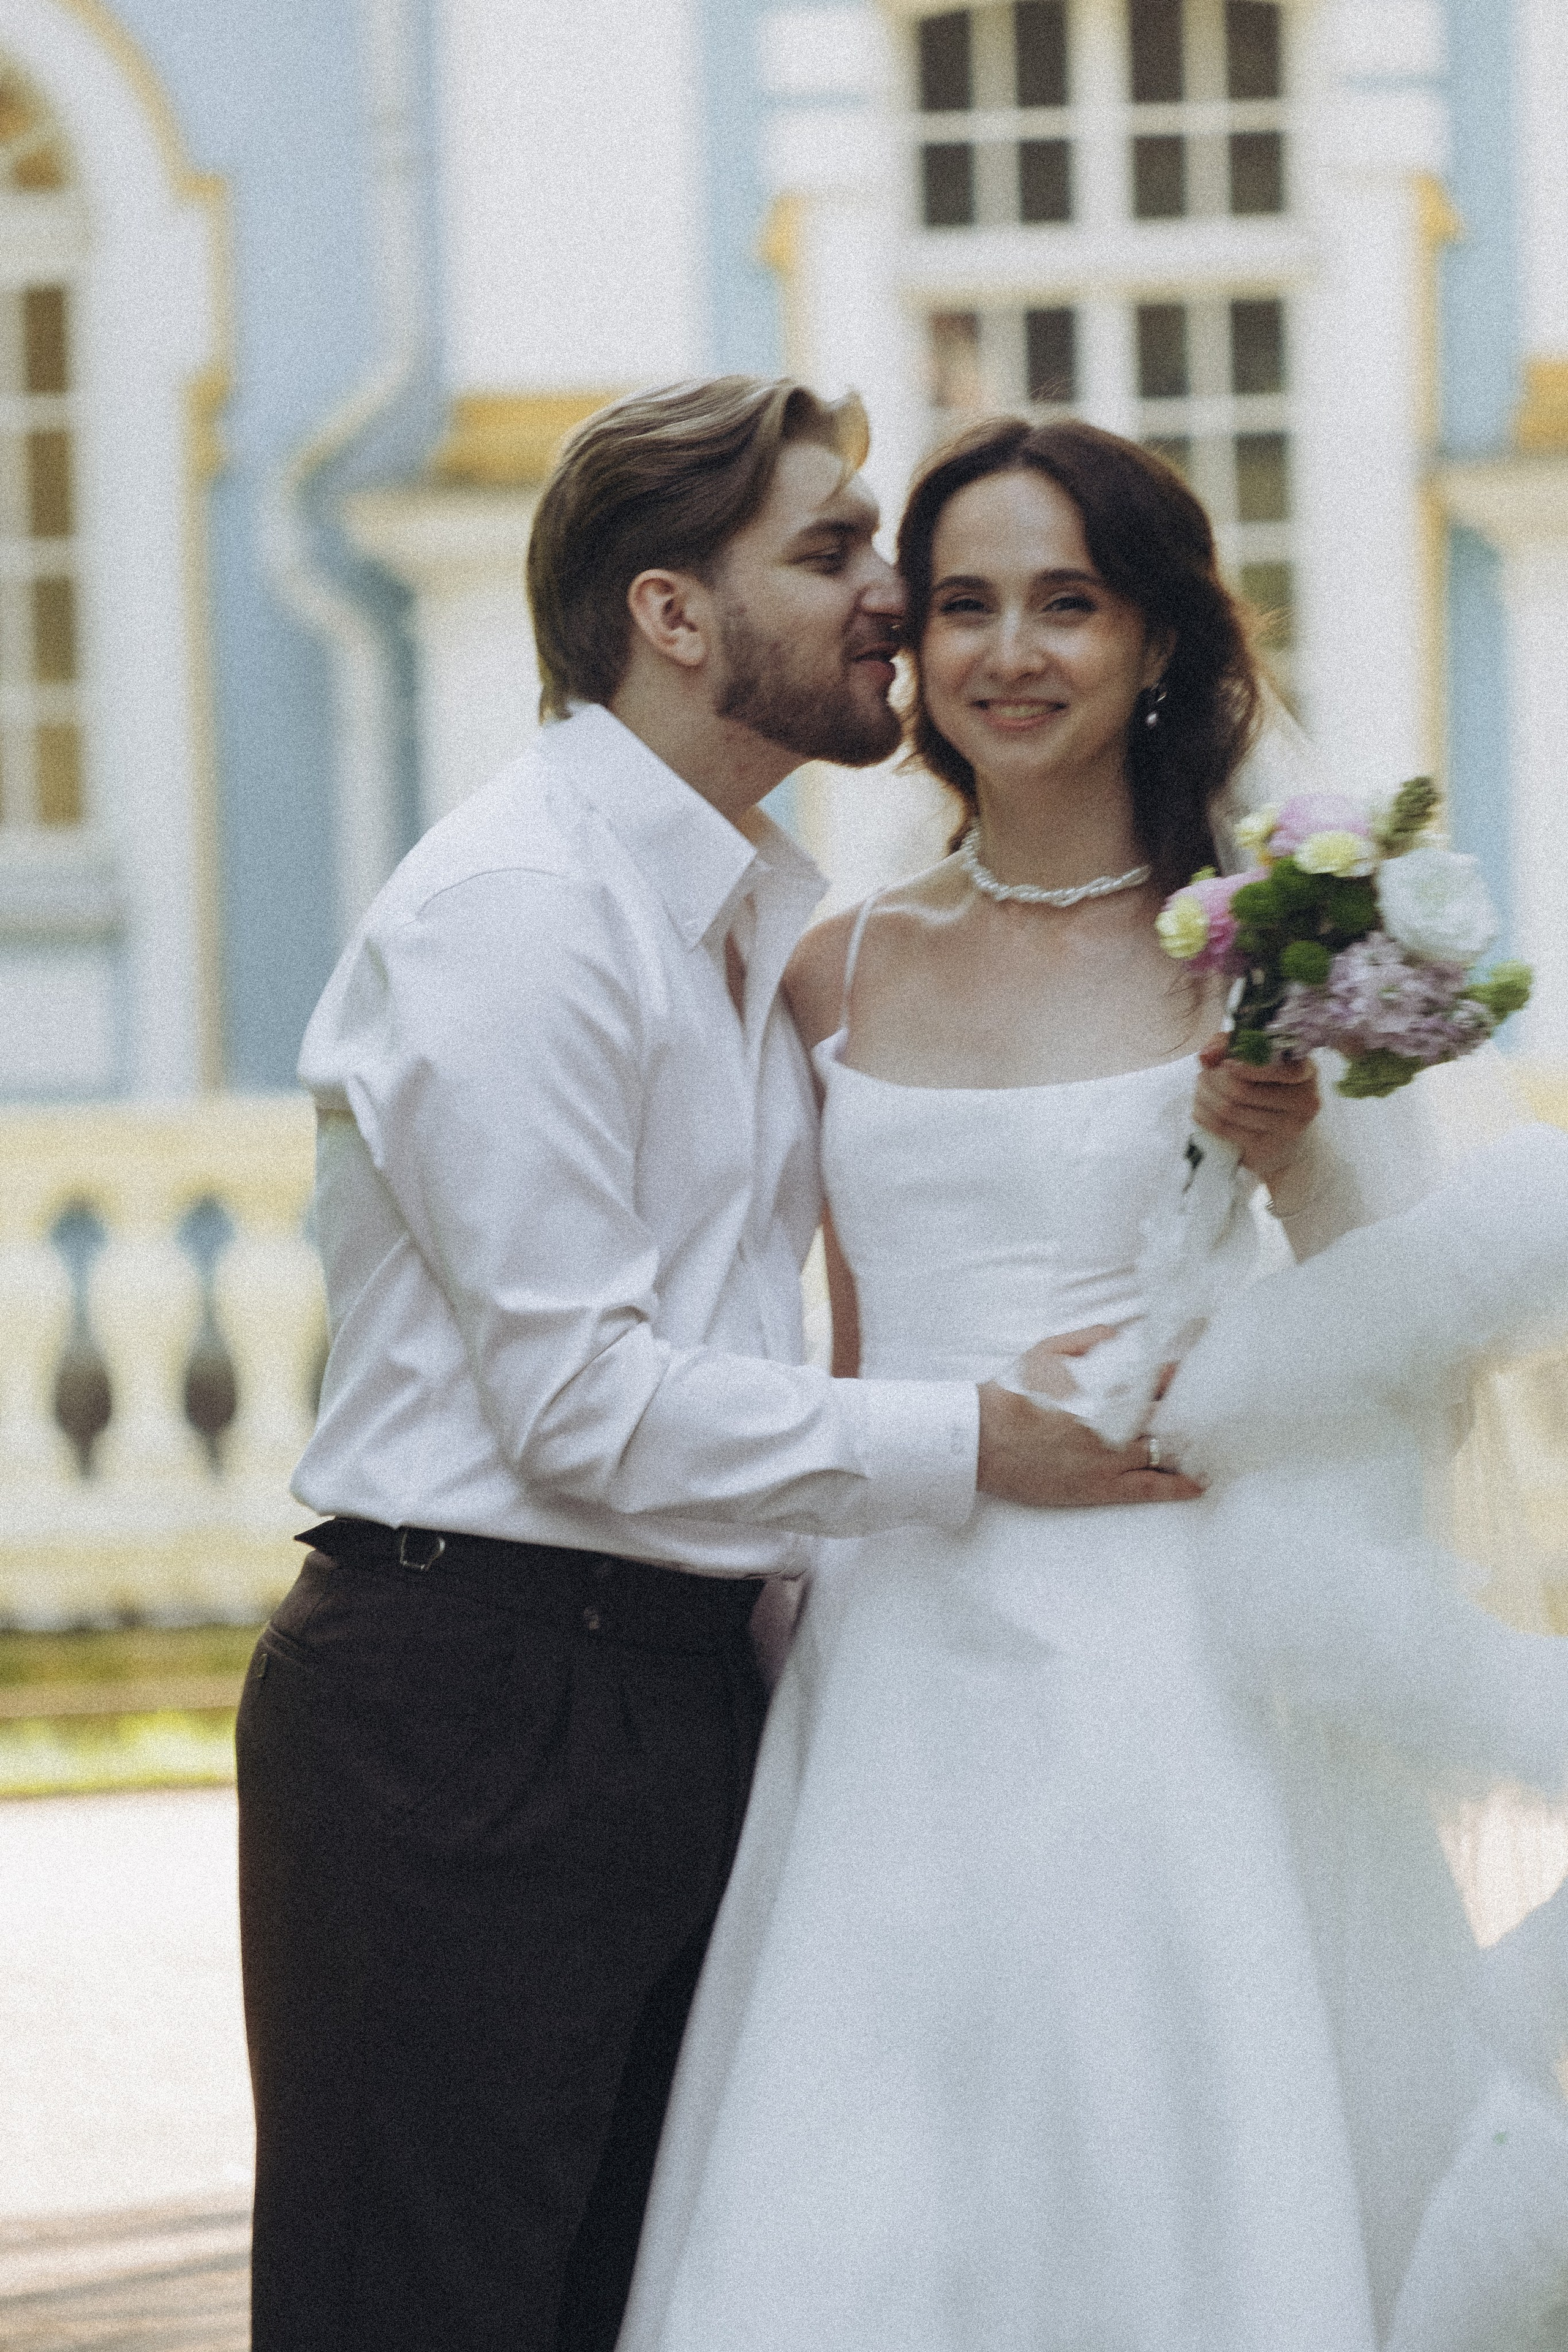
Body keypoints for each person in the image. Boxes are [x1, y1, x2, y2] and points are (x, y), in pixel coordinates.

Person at [235, 380, 1205, 2352]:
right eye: (835, 552)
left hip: (678, 1693)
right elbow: (581, 1407)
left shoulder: (741, 922)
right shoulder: (528, 915)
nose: (891, 600)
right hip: (471, 1710)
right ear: (677, 617)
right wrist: (979, 1444)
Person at [614, 417, 1568, 2351]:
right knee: (872, 2181)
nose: (1010, 654)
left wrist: (1286, 1144)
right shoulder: (831, 966)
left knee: (1180, 2157)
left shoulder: (1270, 967)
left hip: (1175, 1660)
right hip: (901, 1662)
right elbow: (847, 1344)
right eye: (962, 606)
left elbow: (1401, 1344)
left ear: (1156, 640)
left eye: (1070, 602)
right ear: (913, 647)